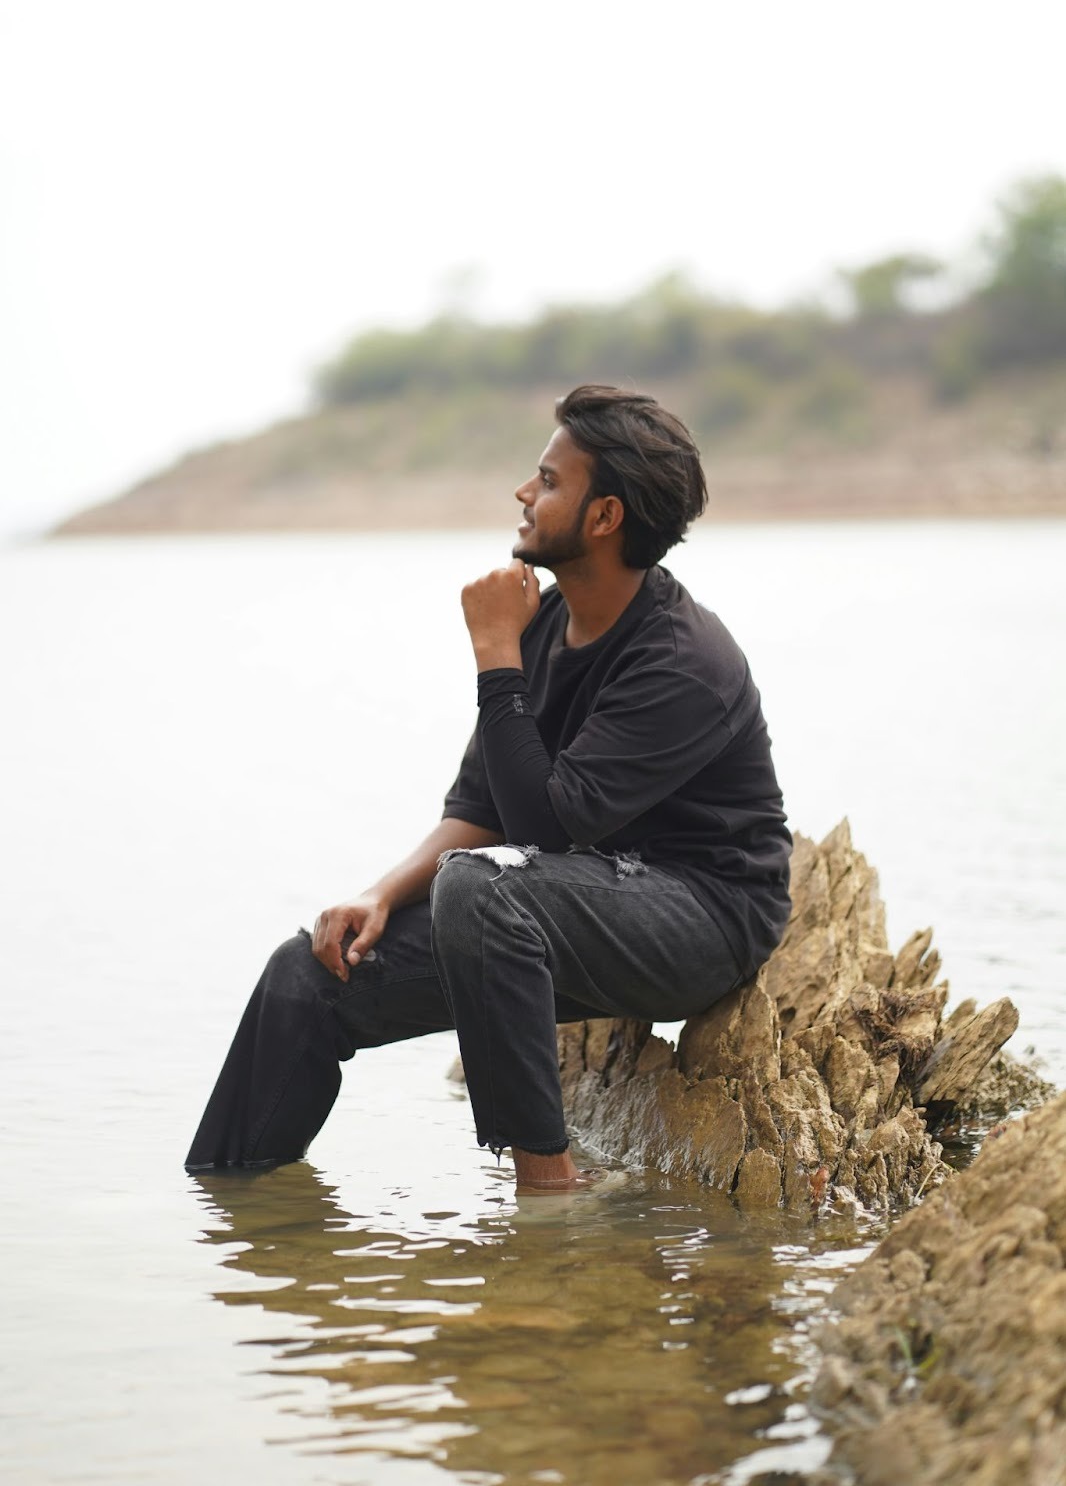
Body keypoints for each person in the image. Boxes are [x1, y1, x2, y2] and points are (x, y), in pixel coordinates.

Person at [185, 385, 791, 1190]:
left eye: (546, 480)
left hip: (705, 916)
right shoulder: (542, 627)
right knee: (306, 973)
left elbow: (543, 825)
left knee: (479, 890)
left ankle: (547, 1187)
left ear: (605, 517)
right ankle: (231, 1203)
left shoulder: (682, 659)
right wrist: (381, 894)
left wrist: (493, 652)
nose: (522, 493)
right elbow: (480, 805)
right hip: (573, 903)